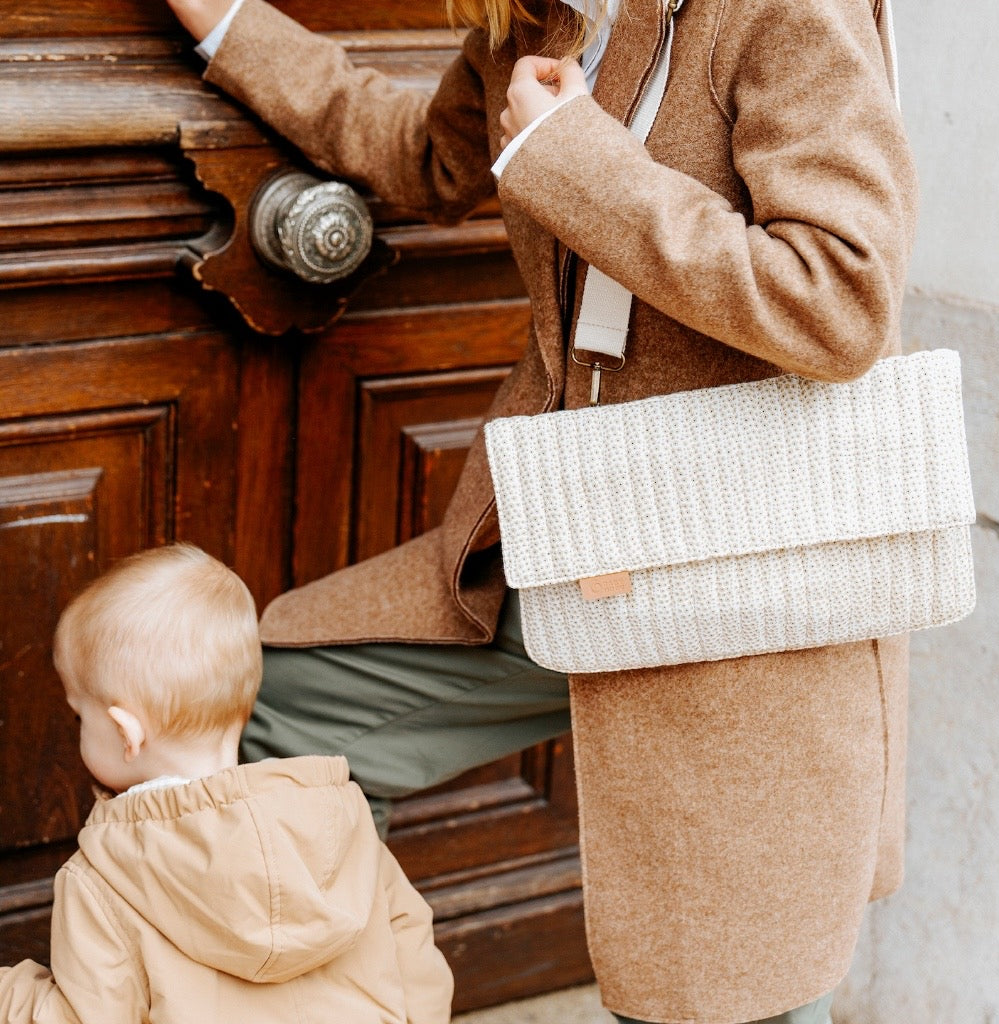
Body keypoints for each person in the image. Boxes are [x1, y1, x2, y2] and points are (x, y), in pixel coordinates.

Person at [160, 0, 918, 1021]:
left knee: (729, 987)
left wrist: (577, 162)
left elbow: (839, 300)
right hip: (568, 543)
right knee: (280, 711)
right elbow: (422, 157)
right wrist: (230, 22)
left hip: (738, 592)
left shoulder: (776, 12)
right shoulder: (538, 18)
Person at [0, 544, 453, 1024]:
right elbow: (414, 954)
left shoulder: (105, 878)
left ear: (125, 733)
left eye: (79, 717)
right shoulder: (342, 820)